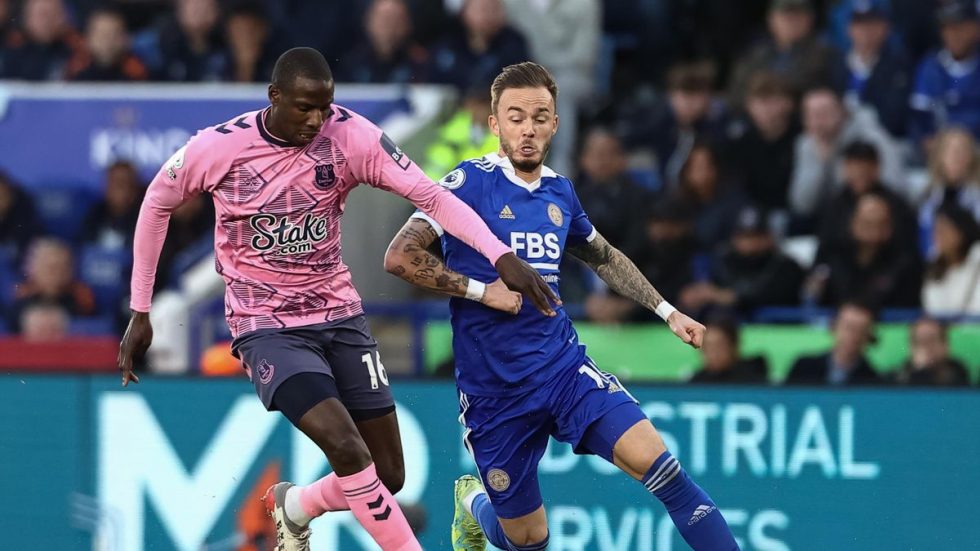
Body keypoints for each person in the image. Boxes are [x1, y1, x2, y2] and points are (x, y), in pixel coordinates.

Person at [116, 48, 556, 551]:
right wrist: (141, 309)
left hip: (340, 314)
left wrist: (500, 255)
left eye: (324, 107)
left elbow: (431, 196)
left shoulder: (352, 137)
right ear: (274, 97)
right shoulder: (219, 148)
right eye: (304, 107)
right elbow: (156, 203)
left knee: (387, 474)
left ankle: (297, 506)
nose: (315, 120)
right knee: (348, 448)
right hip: (267, 326)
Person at [384, 62, 739, 551]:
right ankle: (473, 503)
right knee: (528, 541)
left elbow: (604, 256)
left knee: (666, 472)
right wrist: (482, 291)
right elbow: (400, 256)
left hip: (564, 371)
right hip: (495, 393)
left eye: (539, 117)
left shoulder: (559, 191)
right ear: (495, 124)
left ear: (554, 124)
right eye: (515, 117)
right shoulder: (466, 184)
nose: (527, 129)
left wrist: (668, 311)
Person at [789, 87, 906, 226]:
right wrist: (821, 163)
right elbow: (802, 205)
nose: (819, 121)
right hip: (827, 218)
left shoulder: (871, 138)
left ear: (842, 112)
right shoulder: (806, 144)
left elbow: (895, 188)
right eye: (813, 114)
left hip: (871, 216)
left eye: (825, 112)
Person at [680, 204, 804, 316]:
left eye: (756, 236)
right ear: (734, 238)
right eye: (744, 236)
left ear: (769, 237)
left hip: (778, 328)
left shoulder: (786, 266)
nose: (750, 243)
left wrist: (731, 297)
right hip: (726, 326)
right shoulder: (723, 260)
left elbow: (771, 296)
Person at [810, 192, 923, 308]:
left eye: (882, 224)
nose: (875, 233)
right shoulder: (832, 257)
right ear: (853, 223)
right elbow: (814, 298)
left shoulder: (905, 263)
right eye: (868, 224)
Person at [814, 141, 917, 265]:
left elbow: (907, 253)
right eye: (854, 167)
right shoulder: (834, 207)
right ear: (845, 168)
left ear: (877, 167)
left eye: (864, 167)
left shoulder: (897, 206)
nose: (859, 173)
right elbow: (825, 252)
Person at [728, 0, 845, 107]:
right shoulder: (755, 55)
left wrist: (769, 92)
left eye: (797, 16)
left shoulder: (826, 54)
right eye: (785, 16)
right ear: (771, 20)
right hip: (753, 119)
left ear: (810, 19)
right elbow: (736, 92)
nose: (791, 22)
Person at [909, 0, 980, 150]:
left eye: (960, 28)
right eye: (948, 28)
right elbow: (920, 118)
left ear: (976, 29)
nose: (954, 35)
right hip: (942, 151)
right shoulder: (931, 66)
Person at [725, 71, 800, 212]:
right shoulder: (740, 140)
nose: (765, 108)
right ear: (749, 105)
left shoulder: (800, 138)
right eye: (759, 101)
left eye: (772, 100)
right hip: (750, 212)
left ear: (788, 103)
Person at [842, 0, 912, 137]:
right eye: (859, 24)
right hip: (843, 136)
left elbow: (896, 119)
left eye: (872, 24)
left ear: (886, 28)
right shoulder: (838, 63)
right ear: (848, 29)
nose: (866, 31)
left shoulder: (899, 66)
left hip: (884, 138)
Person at [430, 0, 530, 92]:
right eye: (483, 9)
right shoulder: (447, 43)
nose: (489, 15)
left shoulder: (514, 43)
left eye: (495, 9)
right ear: (464, 12)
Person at [785, 300, 882, 385]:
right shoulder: (804, 367)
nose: (853, 336)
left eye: (861, 330)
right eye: (848, 327)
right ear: (833, 327)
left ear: (869, 336)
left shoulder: (874, 380)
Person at [336, 0, 431, 85]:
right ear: (368, 23)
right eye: (384, 20)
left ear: (407, 25)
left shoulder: (420, 63)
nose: (389, 28)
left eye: (395, 20)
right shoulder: (351, 63)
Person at [10, 238, 96, 331]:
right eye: (51, 268)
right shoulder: (21, 297)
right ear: (33, 269)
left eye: (63, 267)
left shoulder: (81, 299)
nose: (57, 274)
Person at [918, 127, 980, 252]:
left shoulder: (977, 197)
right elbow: (924, 242)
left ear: (972, 158)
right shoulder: (926, 198)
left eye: (962, 151)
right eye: (951, 151)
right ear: (939, 157)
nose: (956, 157)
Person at [0, 0, 83, 80]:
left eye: (51, 14)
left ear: (62, 18)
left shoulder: (73, 53)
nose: (45, 21)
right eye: (41, 14)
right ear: (27, 17)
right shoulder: (12, 50)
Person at [922, 204, 980, 316]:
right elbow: (931, 309)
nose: (938, 237)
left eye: (944, 231)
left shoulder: (977, 261)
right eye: (936, 231)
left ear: (961, 231)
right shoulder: (933, 265)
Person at [65, 7, 149, 81]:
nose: (107, 41)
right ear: (88, 38)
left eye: (114, 34)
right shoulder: (75, 72)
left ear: (126, 38)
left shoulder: (139, 74)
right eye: (102, 34)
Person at [81, 160, 144, 250]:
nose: (115, 190)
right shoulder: (95, 214)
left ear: (134, 189)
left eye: (121, 184)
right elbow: (81, 246)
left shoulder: (144, 219)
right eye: (112, 183)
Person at [892, 317, 970, 386]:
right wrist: (918, 370)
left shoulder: (958, 372)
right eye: (920, 341)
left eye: (931, 340)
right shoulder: (899, 377)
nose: (925, 347)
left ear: (945, 345)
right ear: (911, 347)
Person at [689, 317, 769, 384]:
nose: (713, 353)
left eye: (719, 346)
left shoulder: (753, 381)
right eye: (708, 346)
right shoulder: (695, 384)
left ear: (733, 345)